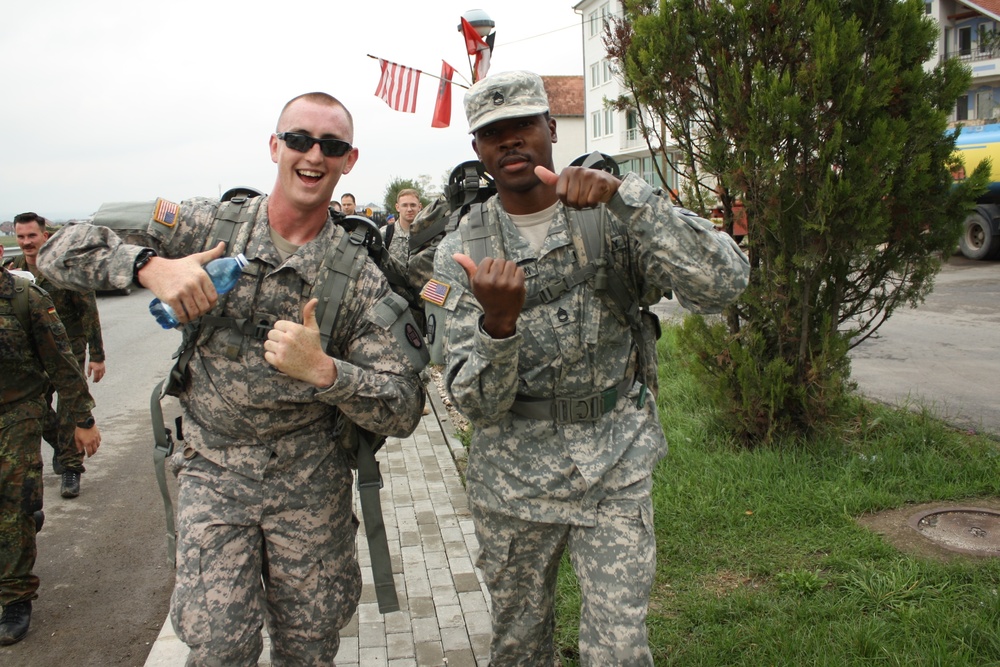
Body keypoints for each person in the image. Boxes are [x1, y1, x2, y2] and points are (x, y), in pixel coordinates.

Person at [38, 92, 425, 665]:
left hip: (309, 481)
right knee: (219, 647)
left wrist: (326, 373)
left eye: (332, 145)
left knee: (310, 647)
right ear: (275, 146)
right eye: (299, 139)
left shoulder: (359, 278)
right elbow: (56, 249)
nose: (313, 154)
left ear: (350, 159)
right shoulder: (208, 225)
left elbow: (404, 406)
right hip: (214, 473)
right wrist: (150, 266)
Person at [429, 71, 750, 665]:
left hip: (614, 465)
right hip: (512, 482)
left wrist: (628, 198)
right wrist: (498, 326)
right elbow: (472, 405)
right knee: (520, 645)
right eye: (493, 133)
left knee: (620, 649)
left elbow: (725, 284)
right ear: (478, 149)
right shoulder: (463, 252)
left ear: (551, 129)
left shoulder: (611, 216)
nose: (511, 142)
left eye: (523, 125)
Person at [0, 244, 102, 646]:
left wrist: (82, 419)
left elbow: (62, 362)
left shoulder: (24, 299)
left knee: (12, 500)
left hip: (19, 410)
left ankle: (14, 598)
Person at [9, 212, 106, 499]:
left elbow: (89, 311)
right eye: (21, 237)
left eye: (32, 236)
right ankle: (61, 446)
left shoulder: (65, 267)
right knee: (35, 405)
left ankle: (71, 468)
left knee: (69, 410)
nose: (27, 242)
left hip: (68, 347)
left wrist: (97, 355)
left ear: (44, 236)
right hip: (32, 351)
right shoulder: (13, 270)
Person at [384, 188, 422, 270]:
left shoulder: (428, 233)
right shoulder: (385, 233)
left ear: (419, 207)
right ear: (397, 207)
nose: (409, 209)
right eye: (404, 205)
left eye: (413, 205)